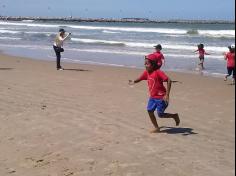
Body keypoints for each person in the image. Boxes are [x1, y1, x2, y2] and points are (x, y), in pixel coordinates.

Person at [129, 54, 180, 133]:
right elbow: (140, 78)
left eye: (147, 63)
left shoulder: (158, 72)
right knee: (149, 111)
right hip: (152, 98)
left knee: (160, 115)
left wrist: (167, 95)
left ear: (153, 64)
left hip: (161, 98)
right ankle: (157, 128)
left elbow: (169, 80)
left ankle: (174, 116)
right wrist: (133, 81)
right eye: (145, 63)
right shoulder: (146, 73)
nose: (145, 65)